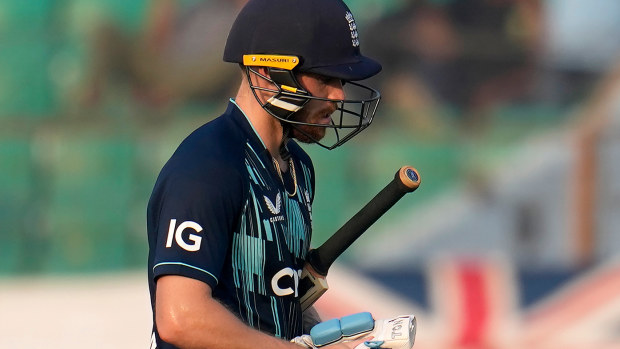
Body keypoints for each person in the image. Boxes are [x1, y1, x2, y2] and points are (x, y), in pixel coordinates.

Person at [146, 0, 382, 347]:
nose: (337, 95)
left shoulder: (298, 167)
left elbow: (280, 300)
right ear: (271, 72)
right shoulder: (207, 166)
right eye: (325, 78)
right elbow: (180, 318)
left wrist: (327, 343)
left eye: (342, 81)